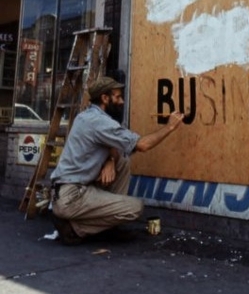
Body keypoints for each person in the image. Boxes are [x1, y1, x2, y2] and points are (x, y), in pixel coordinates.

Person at [50, 76, 184, 245]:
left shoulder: (86, 116)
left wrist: (110, 160)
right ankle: (75, 229)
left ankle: (103, 226)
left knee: (122, 161)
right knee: (135, 208)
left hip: (67, 190)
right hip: (72, 196)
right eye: (117, 97)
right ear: (105, 98)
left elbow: (109, 143)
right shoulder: (99, 122)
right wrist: (170, 126)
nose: (121, 102)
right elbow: (142, 145)